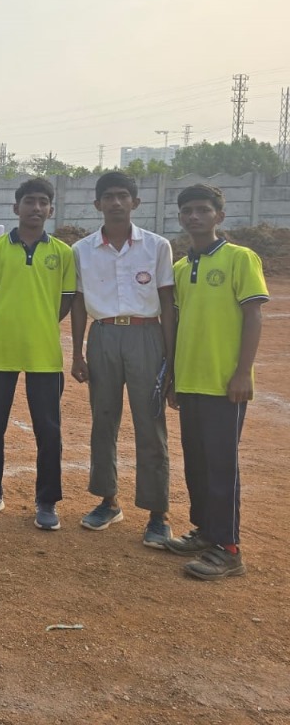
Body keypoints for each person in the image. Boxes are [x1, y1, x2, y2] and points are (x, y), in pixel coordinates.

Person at [161, 184, 269, 580]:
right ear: (180, 217)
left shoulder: (241, 258)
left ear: (219, 216)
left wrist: (242, 372)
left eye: (203, 210)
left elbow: (254, 316)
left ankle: (229, 548)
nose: (194, 216)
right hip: (190, 381)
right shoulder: (179, 267)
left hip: (225, 384)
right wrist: (172, 377)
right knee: (197, 462)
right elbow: (178, 325)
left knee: (222, 465)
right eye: (187, 210)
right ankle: (206, 532)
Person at [69, 171, 175, 548]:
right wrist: (78, 351)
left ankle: (157, 512)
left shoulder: (157, 246)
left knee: (150, 423)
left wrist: (171, 358)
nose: (116, 203)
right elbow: (79, 303)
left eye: (123, 196)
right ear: (97, 204)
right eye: (108, 197)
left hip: (147, 335)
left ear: (136, 202)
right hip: (103, 336)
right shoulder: (81, 250)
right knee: (103, 419)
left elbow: (167, 303)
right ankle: (107, 500)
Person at [0, 178, 75, 530]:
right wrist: (8, 323)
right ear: (16, 208)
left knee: (49, 430)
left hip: (44, 353)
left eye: (43, 202)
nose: (36, 208)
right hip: (0, 351)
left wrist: (40, 323)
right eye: (29, 201)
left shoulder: (62, 253)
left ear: (51, 209)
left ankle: (47, 502)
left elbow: (65, 301)